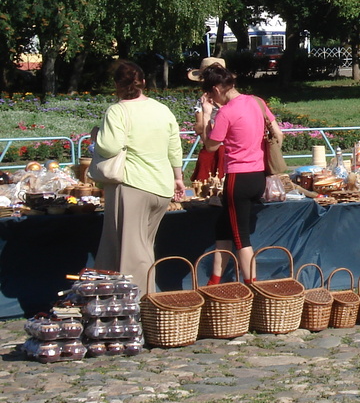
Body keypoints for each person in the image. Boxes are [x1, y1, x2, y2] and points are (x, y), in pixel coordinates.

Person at [92, 60, 186, 289]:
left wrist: (96, 135)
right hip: (161, 187)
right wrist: (178, 178)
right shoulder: (162, 110)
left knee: (133, 254)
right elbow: (174, 148)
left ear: (116, 85)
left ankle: (136, 307)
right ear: (144, 82)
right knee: (143, 247)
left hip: (132, 186)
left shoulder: (117, 110)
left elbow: (110, 147)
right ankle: (130, 301)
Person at [198, 66, 282, 283]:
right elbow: (278, 133)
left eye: (209, 93)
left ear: (216, 89)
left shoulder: (226, 112)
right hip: (257, 175)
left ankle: (253, 286)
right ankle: (214, 281)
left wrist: (208, 115)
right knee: (223, 228)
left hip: (239, 178)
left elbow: (211, 147)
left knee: (241, 239)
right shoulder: (257, 101)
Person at [187, 57, 225, 181]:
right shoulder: (202, 101)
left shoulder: (228, 100)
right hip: (217, 146)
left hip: (223, 146)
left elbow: (199, 127)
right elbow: (199, 127)